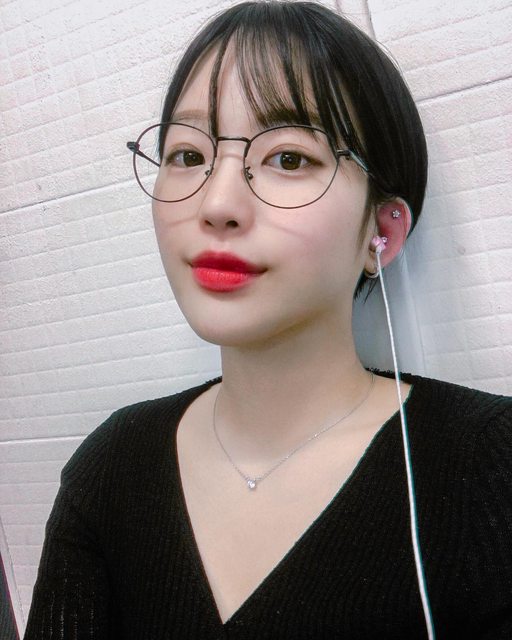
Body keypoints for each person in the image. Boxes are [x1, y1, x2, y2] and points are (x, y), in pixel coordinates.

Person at [24, 2, 511, 639]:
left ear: (382, 232)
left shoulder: (490, 466)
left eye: (288, 158)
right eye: (188, 155)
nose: (216, 203)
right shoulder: (111, 467)